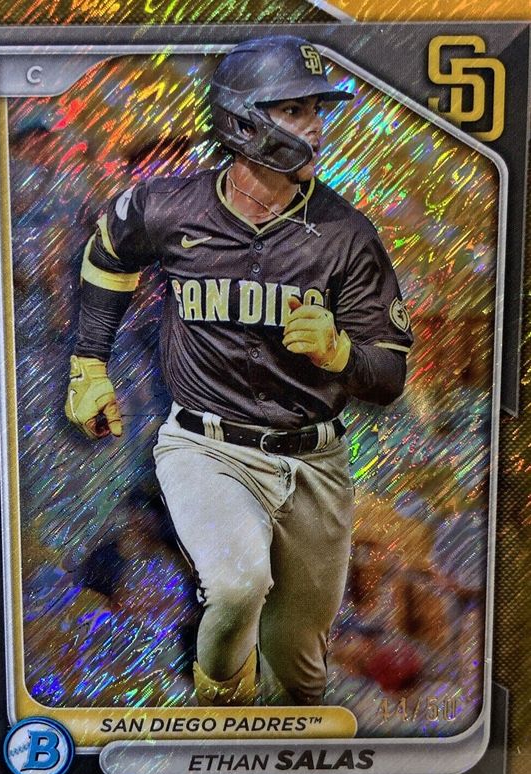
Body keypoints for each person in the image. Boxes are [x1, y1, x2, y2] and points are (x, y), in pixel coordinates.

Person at [64, 35, 413, 706]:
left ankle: (284, 739)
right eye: (295, 109)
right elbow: (109, 250)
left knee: (299, 663)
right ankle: (221, 710)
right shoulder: (169, 207)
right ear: (244, 119)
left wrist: (340, 353)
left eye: (317, 110)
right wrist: (87, 364)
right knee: (237, 585)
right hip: (205, 445)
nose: (315, 127)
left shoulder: (347, 234)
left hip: (313, 460)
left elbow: (390, 374)